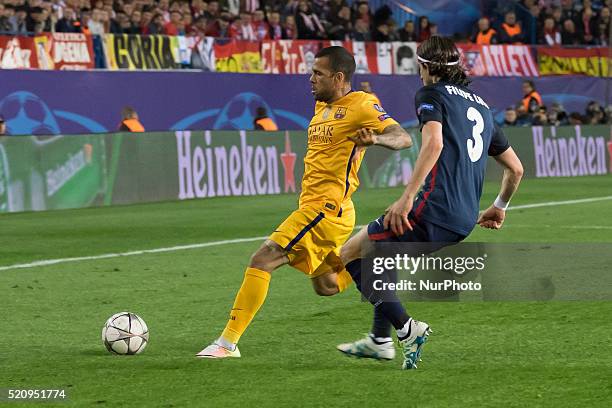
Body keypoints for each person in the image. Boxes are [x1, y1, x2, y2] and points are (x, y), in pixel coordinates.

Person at [197, 46, 412, 359]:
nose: (311, 79)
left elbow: (402, 137)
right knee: (325, 285)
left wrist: (377, 139)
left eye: (318, 74)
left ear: (339, 78)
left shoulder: (363, 105)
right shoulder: (322, 107)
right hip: (324, 209)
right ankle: (367, 258)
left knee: (263, 258)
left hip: (325, 208)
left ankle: (227, 343)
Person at [335, 36, 523, 369]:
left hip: (432, 209)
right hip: (463, 219)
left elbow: (433, 143)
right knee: (381, 251)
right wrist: (500, 206)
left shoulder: (430, 94)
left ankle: (407, 329)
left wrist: (407, 197)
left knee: (351, 252)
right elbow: (516, 168)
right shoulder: (481, 107)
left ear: (423, 66)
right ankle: (380, 341)